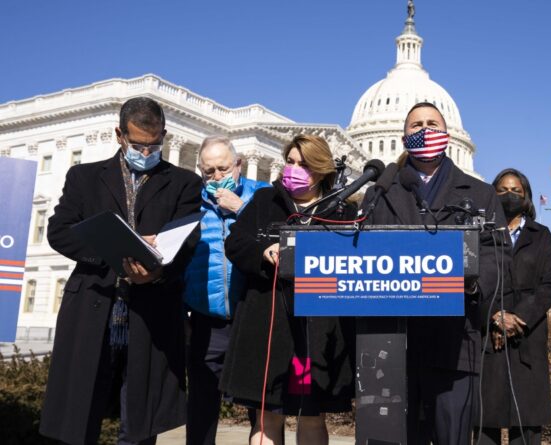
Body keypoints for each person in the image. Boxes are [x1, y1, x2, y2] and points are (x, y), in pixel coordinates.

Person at [40, 97, 202, 444]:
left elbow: (188, 241)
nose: (146, 152)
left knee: (140, 419)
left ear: (164, 135)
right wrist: (112, 253)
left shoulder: (184, 182)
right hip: (93, 305)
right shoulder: (84, 176)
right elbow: (59, 231)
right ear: (119, 135)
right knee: (78, 412)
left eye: (154, 144)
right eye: (138, 144)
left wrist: (157, 272)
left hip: (152, 312)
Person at [362, 102, 507, 445]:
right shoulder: (379, 193)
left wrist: (473, 283)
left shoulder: (481, 193)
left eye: (432, 124)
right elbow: (360, 251)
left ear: (447, 135)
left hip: (454, 341)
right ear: (403, 137)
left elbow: (498, 255)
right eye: (416, 125)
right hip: (390, 344)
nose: (425, 130)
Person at [220, 134, 355, 445]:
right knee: (267, 416)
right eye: (290, 162)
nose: (293, 169)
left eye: (303, 164)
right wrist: (263, 251)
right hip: (267, 324)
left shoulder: (342, 210)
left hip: (316, 330)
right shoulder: (265, 200)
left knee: (311, 416)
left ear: (321, 169)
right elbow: (235, 242)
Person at [183, 135, 269, 445]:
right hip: (207, 321)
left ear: (239, 165)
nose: (217, 177)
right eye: (209, 171)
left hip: (252, 318)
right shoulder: (190, 201)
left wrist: (240, 208)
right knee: (201, 406)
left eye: (223, 168)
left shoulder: (263, 194)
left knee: (261, 409)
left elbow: (279, 235)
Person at [474, 169, 551, 445]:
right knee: (485, 423)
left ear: (526, 197)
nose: (509, 195)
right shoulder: (480, 234)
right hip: (488, 339)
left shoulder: (542, 236)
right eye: (502, 190)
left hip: (527, 338)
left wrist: (517, 318)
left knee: (527, 425)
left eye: (516, 191)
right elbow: (470, 283)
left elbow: (549, 285)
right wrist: (495, 315)